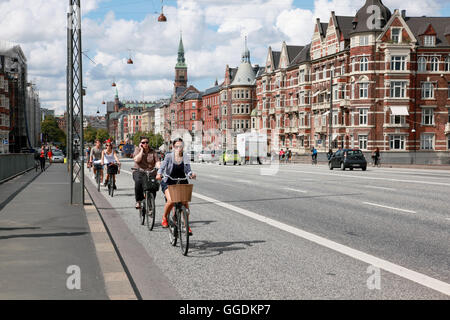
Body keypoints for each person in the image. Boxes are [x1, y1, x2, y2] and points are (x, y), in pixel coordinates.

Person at [156, 138, 196, 235]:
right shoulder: (169, 156)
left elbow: (188, 169)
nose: (179, 148)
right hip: (169, 181)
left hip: (182, 180)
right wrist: (159, 174)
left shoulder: (185, 156)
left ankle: (186, 226)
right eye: (177, 146)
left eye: (181, 146)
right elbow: (162, 167)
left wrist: (191, 174)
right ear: (174, 147)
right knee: (171, 200)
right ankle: (164, 217)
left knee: (185, 203)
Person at [133, 136, 161, 210]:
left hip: (151, 172)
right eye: (143, 142)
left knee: (153, 187)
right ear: (140, 143)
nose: (145, 144)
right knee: (138, 182)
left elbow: (157, 161)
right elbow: (136, 160)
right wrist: (141, 150)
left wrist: (158, 168)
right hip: (139, 171)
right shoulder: (137, 149)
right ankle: (138, 201)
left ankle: (150, 202)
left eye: (146, 142)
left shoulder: (153, 151)